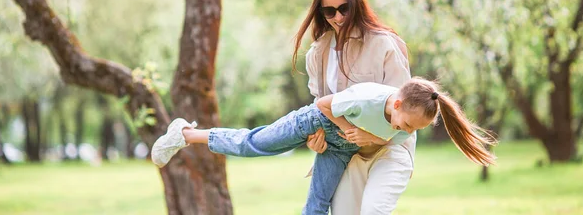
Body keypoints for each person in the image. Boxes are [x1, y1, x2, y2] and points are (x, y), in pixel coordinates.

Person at [151, 78, 497, 215]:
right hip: (316, 122)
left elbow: (391, 138)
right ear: (396, 103)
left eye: (413, 130)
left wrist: (369, 140)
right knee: (256, 145)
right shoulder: (367, 97)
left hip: (340, 149)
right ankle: (185, 134)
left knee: (318, 204)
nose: (406, 132)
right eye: (405, 124)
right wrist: (349, 130)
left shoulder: (406, 127)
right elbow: (323, 104)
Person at [293, 0, 415, 214]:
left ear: (356, 5)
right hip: (347, 154)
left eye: (344, 8)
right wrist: (315, 140)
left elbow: (409, 114)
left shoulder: (383, 43)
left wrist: (371, 137)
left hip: (389, 149)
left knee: (372, 211)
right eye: (329, 11)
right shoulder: (318, 53)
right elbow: (321, 110)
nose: (338, 17)